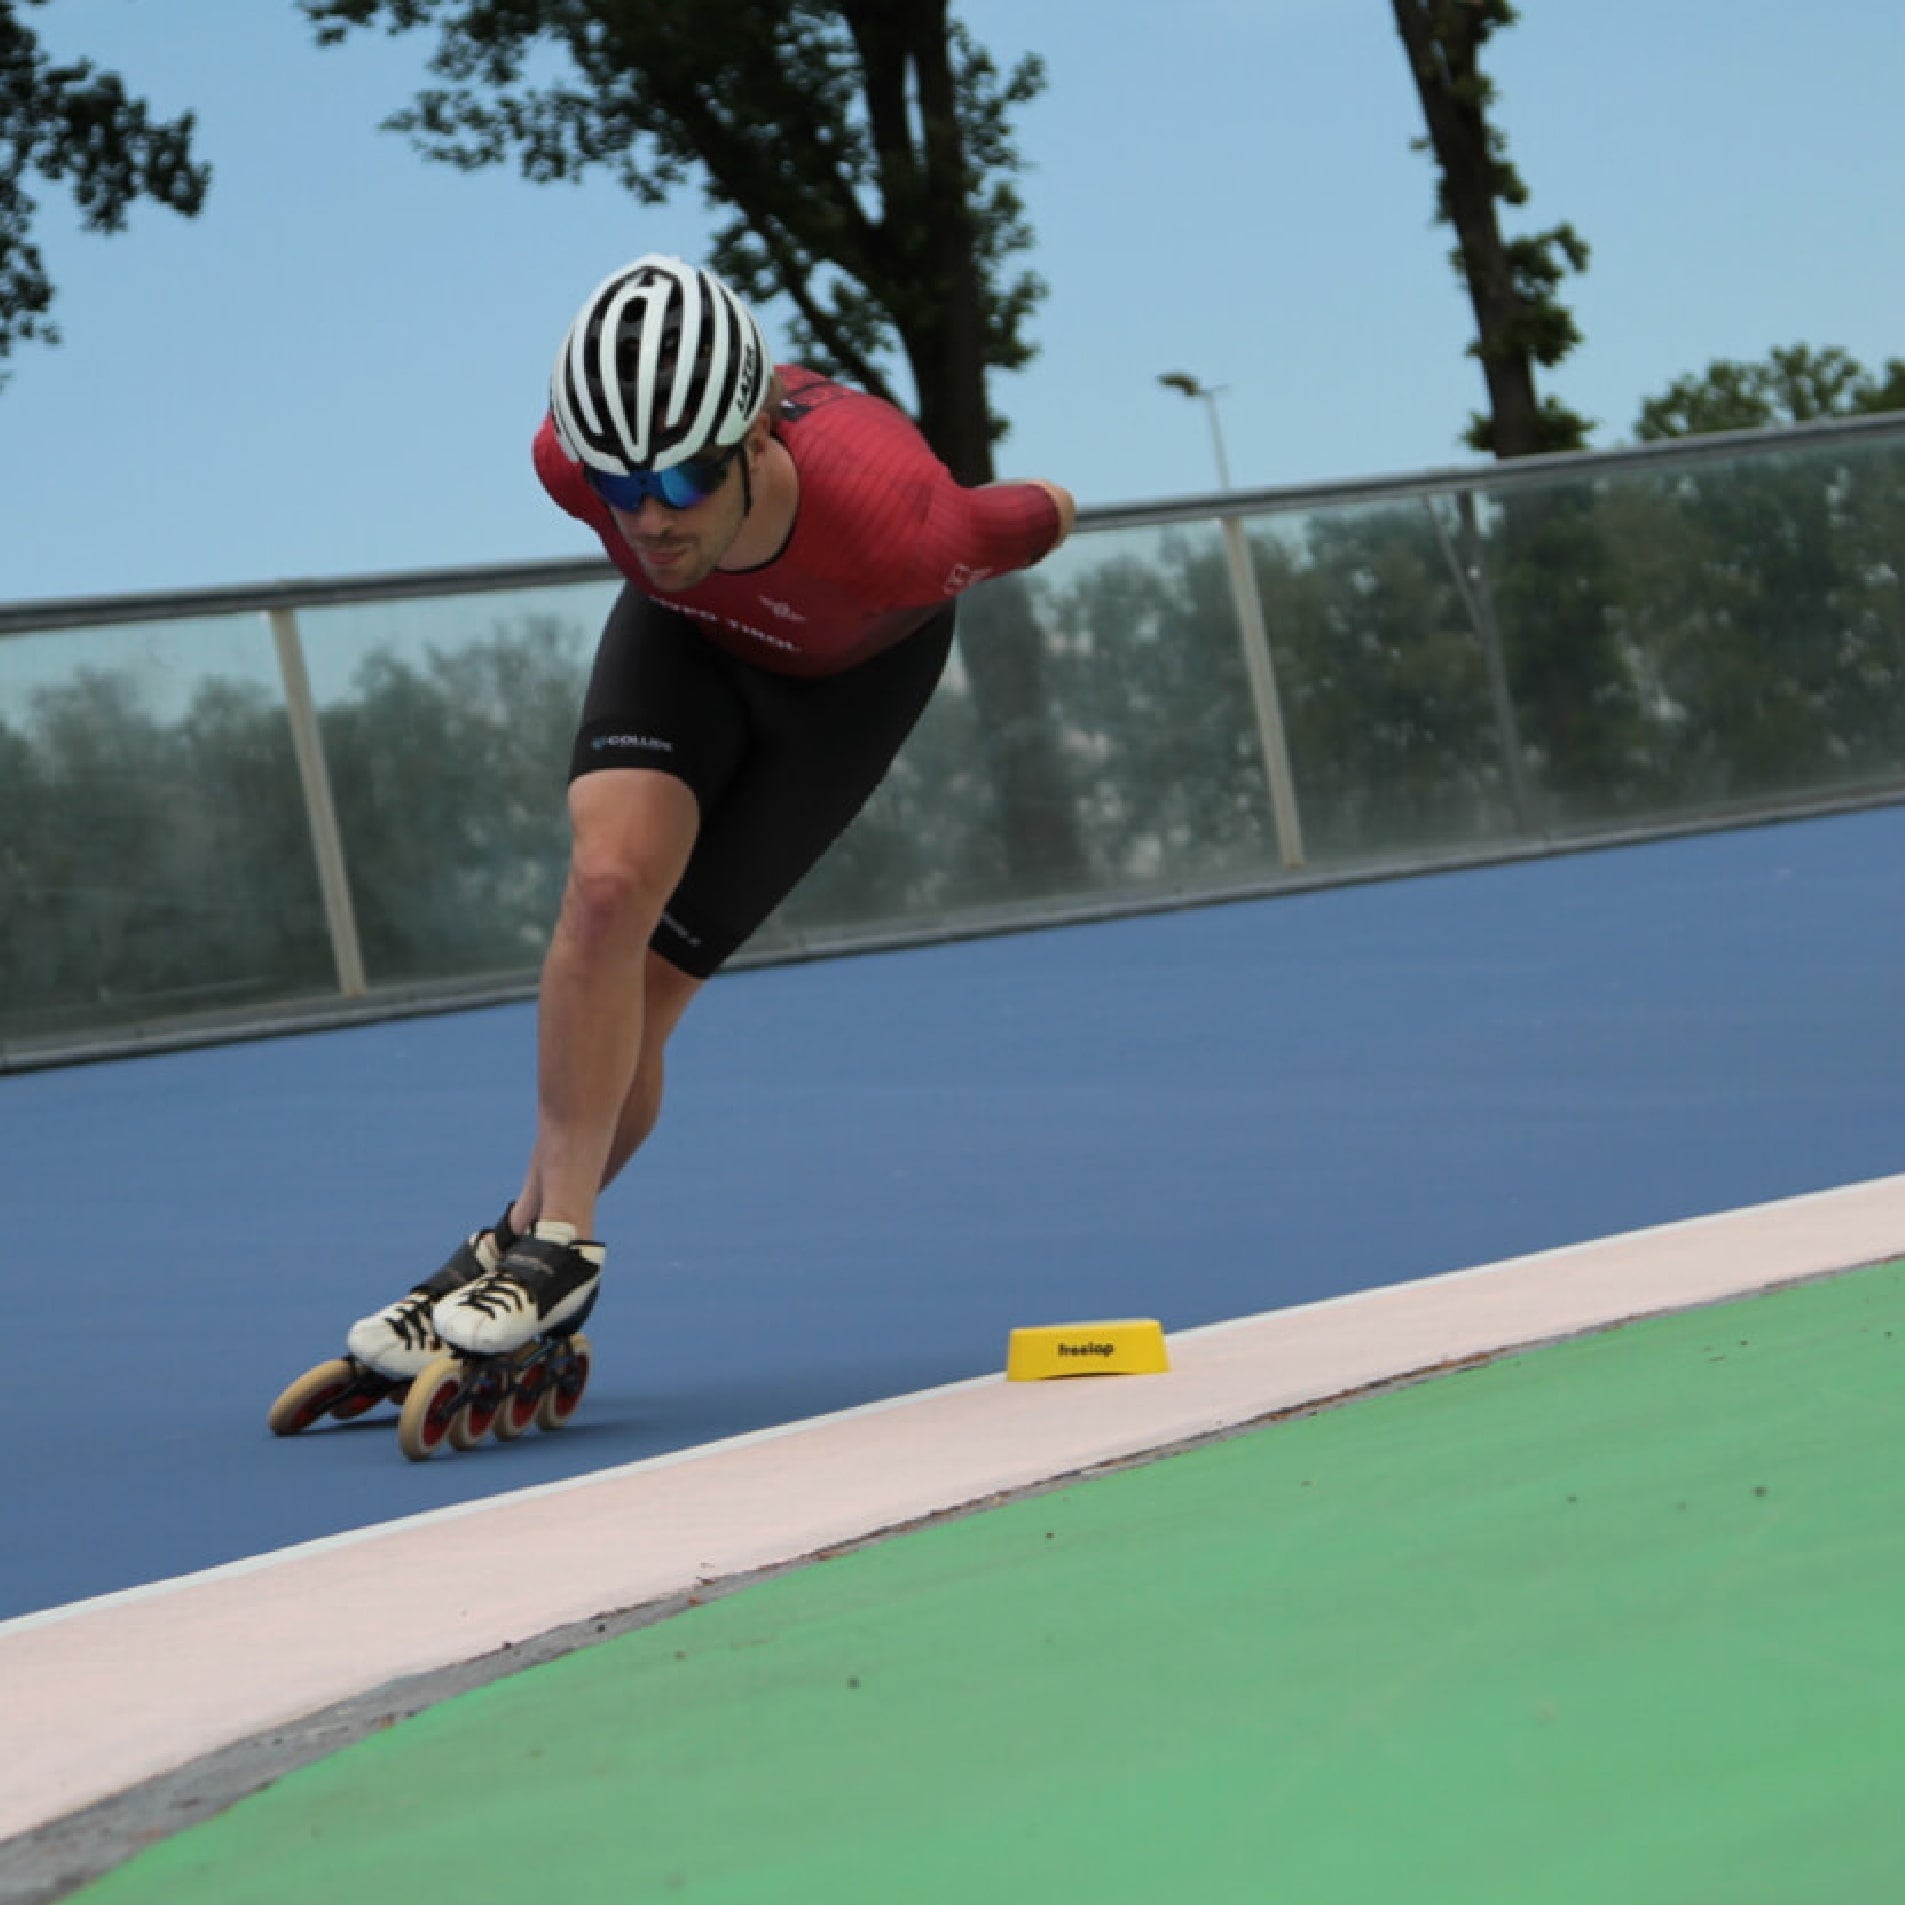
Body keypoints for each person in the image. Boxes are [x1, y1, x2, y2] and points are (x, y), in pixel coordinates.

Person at [344, 253, 1076, 1380]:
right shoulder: (575, 471)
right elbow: (636, 498)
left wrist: (1054, 509)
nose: (647, 515)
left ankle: (508, 1242)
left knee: (652, 986)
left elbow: (1025, 517)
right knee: (603, 891)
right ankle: (554, 1246)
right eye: (618, 486)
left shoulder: (894, 520)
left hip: (844, 687)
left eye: (682, 481)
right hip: (685, 639)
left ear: (755, 443)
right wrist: (653, 501)